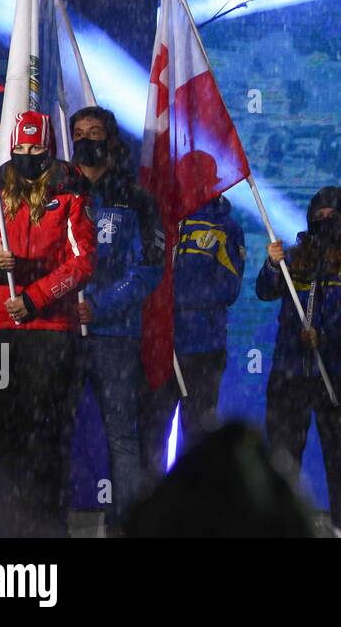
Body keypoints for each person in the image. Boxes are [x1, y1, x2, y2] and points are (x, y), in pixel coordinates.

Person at [0, 111, 95, 536]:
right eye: (20, 149)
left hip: (49, 335)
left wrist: (36, 299)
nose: (27, 157)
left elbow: (84, 261)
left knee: (47, 438)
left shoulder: (71, 192)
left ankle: (46, 527)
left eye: (36, 150)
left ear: (50, 150)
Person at [65, 106, 163, 532]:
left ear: (110, 139)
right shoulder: (54, 191)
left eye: (95, 132)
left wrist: (99, 305)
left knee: (122, 438)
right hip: (60, 334)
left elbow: (149, 269)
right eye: (79, 133)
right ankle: (47, 524)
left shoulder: (135, 198)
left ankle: (123, 529)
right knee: (53, 435)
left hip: (115, 337)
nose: (87, 140)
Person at [256, 186, 341, 535]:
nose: (324, 222)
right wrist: (272, 264)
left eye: (331, 216)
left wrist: (327, 337)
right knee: (283, 462)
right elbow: (265, 290)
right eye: (318, 217)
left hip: (335, 373)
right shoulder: (297, 255)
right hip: (290, 374)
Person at [141, 193, 245, 480]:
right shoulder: (165, 224)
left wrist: (176, 297)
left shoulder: (226, 228)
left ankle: (193, 515)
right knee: (152, 431)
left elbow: (229, 287)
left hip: (203, 348)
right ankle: (154, 513)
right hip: (162, 346)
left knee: (197, 435)